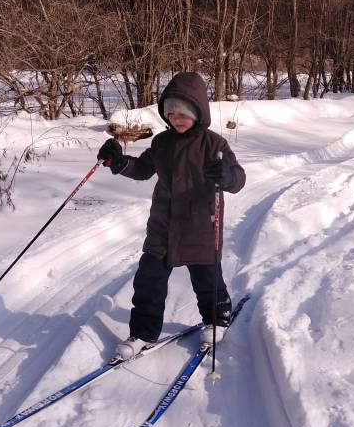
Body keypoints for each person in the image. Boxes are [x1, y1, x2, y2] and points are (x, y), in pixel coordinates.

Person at [97, 72, 246, 361]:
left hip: (201, 225)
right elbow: (143, 169)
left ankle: (217, 318)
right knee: (148, 280)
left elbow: (238, 179)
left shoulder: (214, 145)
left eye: (184, 112)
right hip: (163, 226)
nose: (176, 118)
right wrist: (118, 161)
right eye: (171, 112)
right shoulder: (162, 143)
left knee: (207, 280)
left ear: (198, 112)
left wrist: (226, 175)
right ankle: (143, 332)